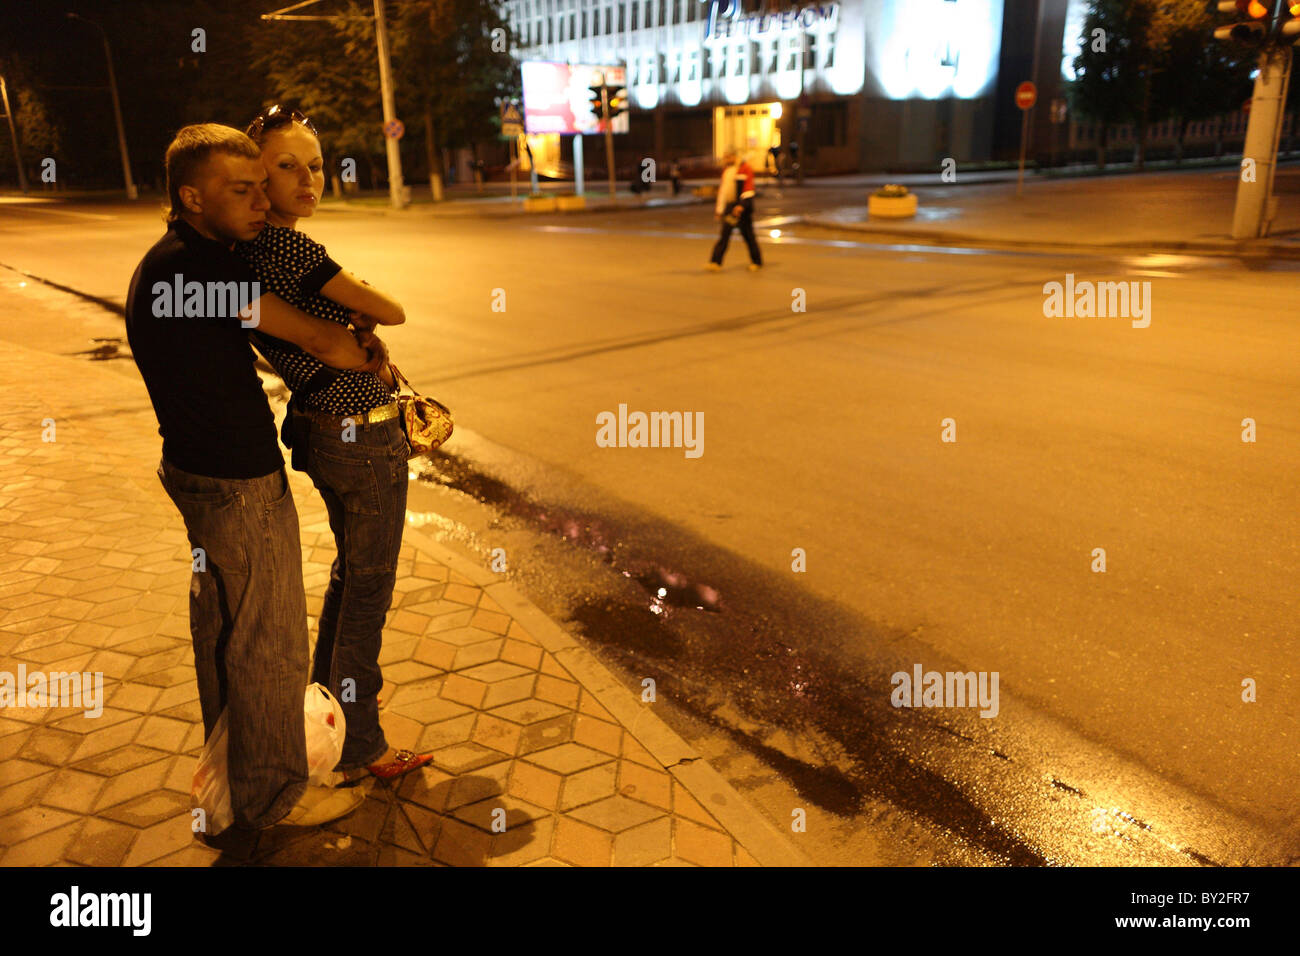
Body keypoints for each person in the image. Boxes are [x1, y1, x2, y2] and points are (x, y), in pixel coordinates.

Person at [125, 123, 389, 828]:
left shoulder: (175, 263)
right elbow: (315, 338)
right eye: (239, 190)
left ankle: (230, 781)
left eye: (257, 186)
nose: (259, 202)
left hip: (196, 469)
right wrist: (358, 344)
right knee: (268, 645)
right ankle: (269, 800)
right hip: (236, 480)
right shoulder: (199, 272)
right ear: (190, 196)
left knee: (223, 631)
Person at [237, 105, 433, 785]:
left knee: (351, 579)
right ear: (254, 176)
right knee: (368, 591)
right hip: (362, 441)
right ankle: (362, 745)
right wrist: (363, 314)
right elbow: (393, 308)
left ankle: (329, 714)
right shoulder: (291, 249)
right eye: (285, 165)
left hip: (321, 431)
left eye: (315, 164)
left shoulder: (247, 251)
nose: (307, 178)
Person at [707, 150, 762, 272]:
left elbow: (748, 188)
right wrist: (719, 209)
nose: (726, 159)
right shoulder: (726, 171)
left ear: (735, 156)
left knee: (748, 236)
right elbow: (723, 192)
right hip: (730, 207)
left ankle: (757, 261)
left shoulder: (744, 168)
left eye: (728, 157)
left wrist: (741, 206)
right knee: (724, 235)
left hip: (742, 209)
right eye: (725, 157)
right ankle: (715, 262)